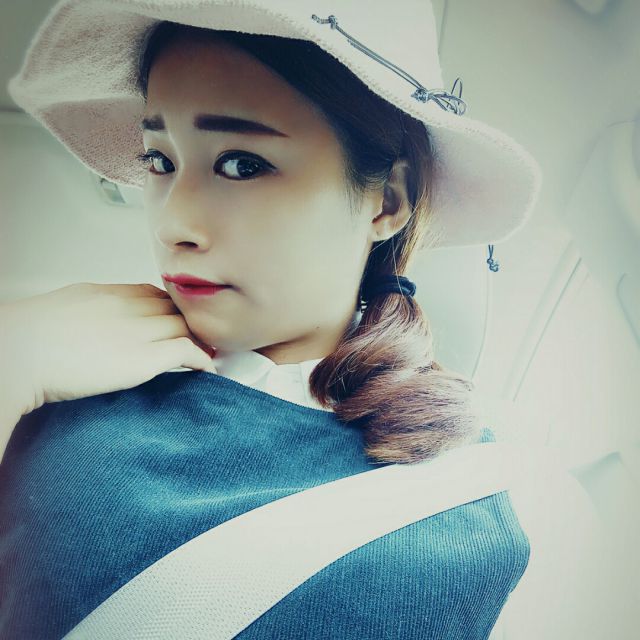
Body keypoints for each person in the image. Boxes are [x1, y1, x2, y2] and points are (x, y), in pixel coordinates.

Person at [0, 1, 609, 639]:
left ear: (388, 198)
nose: (173, 224)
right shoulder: (60, 377)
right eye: (159, 160)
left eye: (242, 164)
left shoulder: (510, 504)